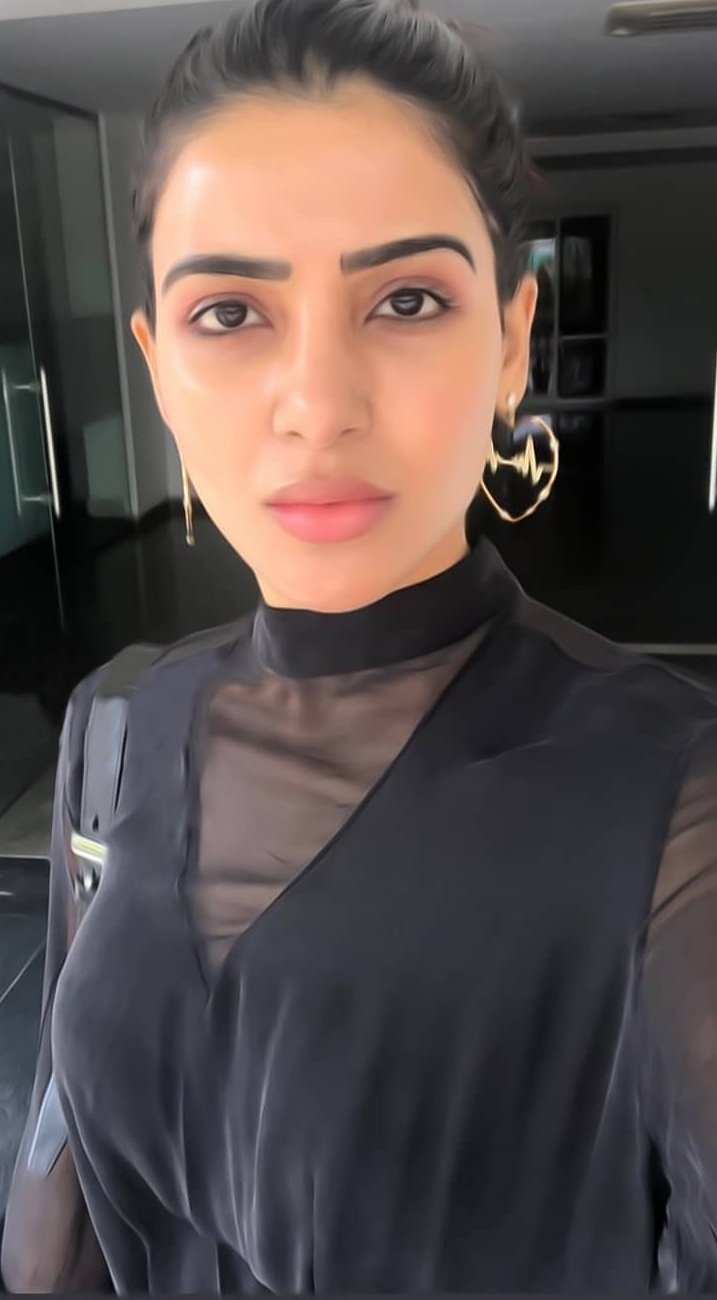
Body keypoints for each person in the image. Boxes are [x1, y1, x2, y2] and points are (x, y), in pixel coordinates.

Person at [3, 0, 717, 1291]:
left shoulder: (673, 805)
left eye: (405, 299)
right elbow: (58, 1182)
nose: (318, 406)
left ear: (511, 342)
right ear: (157, 369)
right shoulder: (117, 725)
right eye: (231, 314)